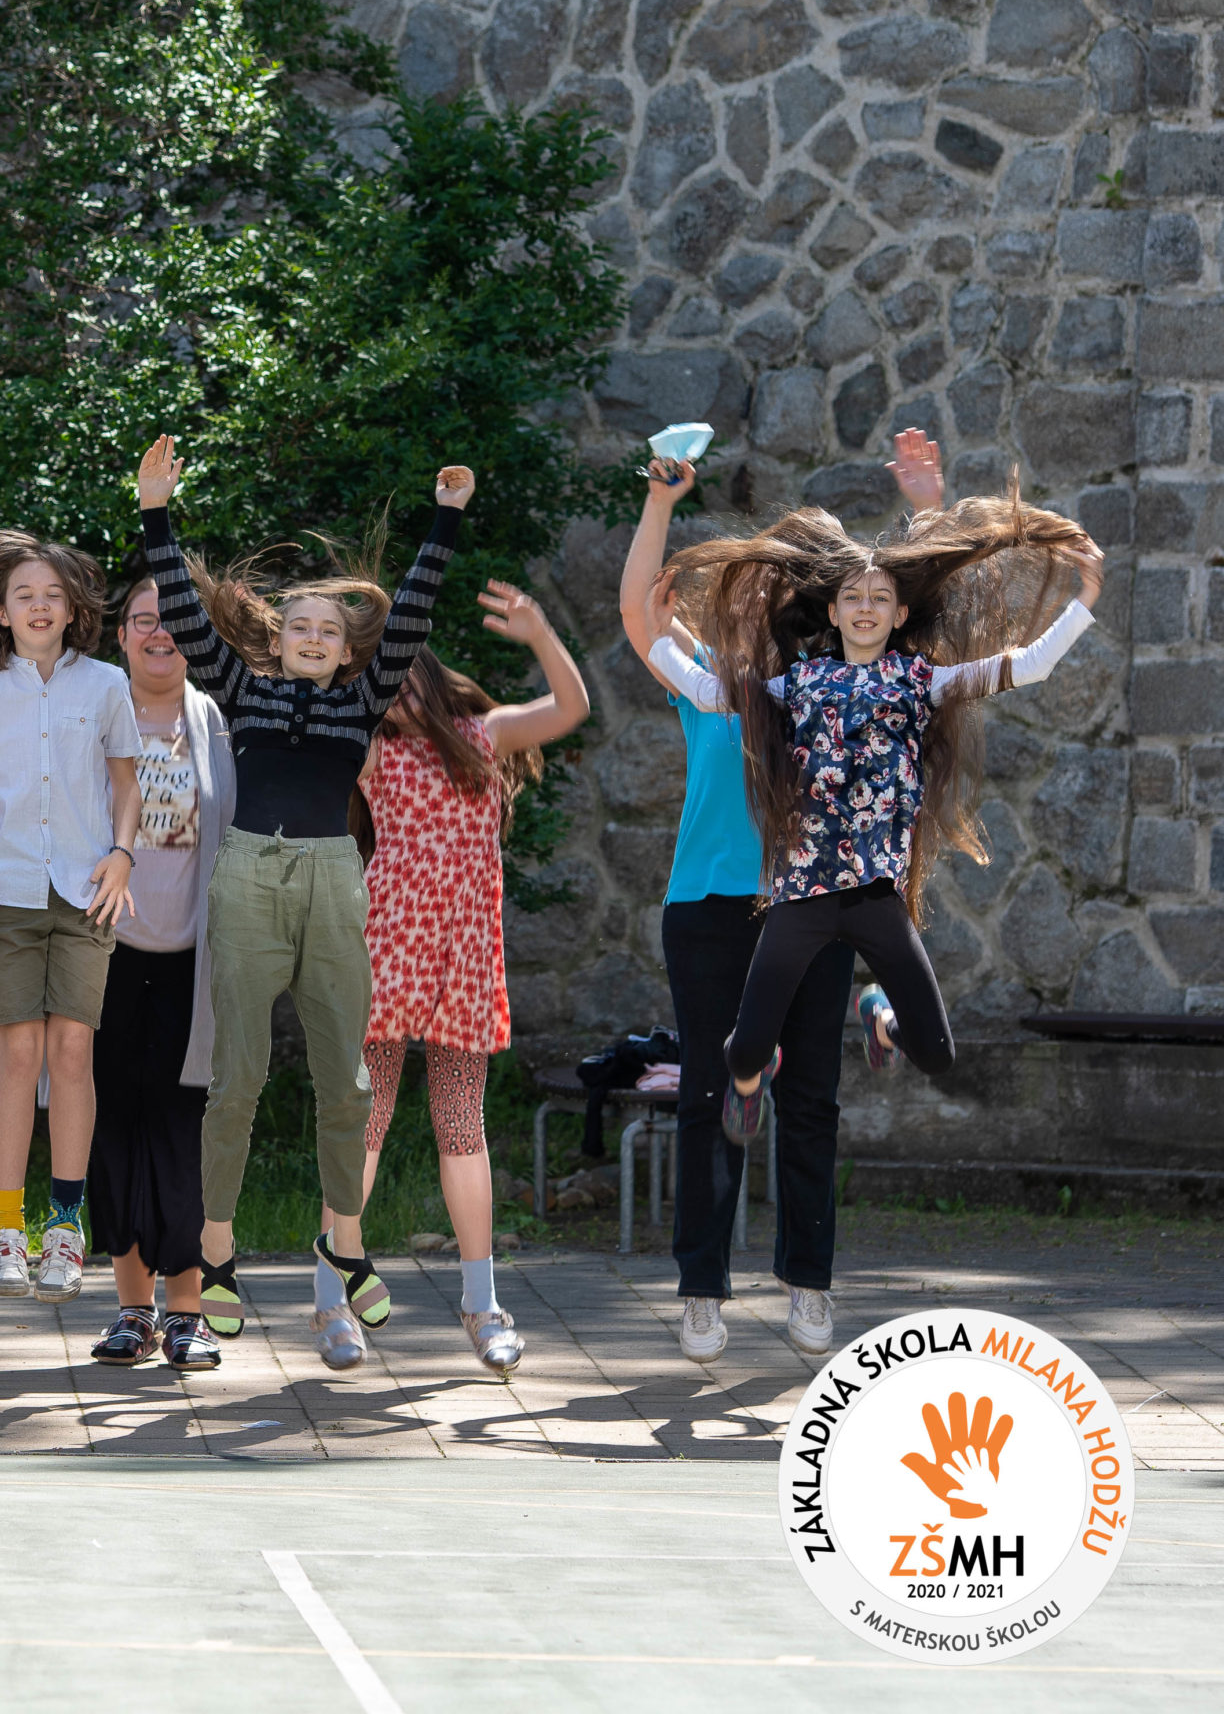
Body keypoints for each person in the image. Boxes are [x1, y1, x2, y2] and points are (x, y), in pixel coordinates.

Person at [137, 434, 468, 1371]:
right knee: (235, 1077)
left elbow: (412, 613)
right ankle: (216, 1248)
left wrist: (444, 520)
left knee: (347, 1081)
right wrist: (155, 509)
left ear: (347, 649)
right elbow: (186, 615)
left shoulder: (363, 700)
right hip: (247, 876)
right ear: (277, 639)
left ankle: (346, 1242)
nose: (314, 636)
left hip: (331, 876)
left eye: (329, 628)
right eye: (299, 625)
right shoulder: (240, 687)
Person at [617, 434, 948, 1364]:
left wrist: (928, 507)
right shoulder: (714, 681)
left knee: (810, 1096)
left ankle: (809, 1281)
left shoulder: (839, 680)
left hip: (816, 904)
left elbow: (918, 617)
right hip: (708, 907)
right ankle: (702, 1291)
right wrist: (660, 500)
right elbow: (638, 614)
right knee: (711, 1090)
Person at [650, 490, 1102, 1151]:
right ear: (833, 612)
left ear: (900, 613)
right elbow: (705, 692)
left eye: (881, 598)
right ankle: (752, 1078)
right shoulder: (796, 684)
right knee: (741, 1052)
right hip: (801, 898)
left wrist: (1084, 599)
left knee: (937, 1055)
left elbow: (1030, 665)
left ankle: (881, 1019)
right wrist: (660, 636)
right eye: (854, 598)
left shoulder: (923, 680)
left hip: (875, 899)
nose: (866, 608)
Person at [354, 584, 590, 1375]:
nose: (391, 689)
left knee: (462, 1123)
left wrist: (540, 629)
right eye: (375, 678)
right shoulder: (369, 748)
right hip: (388, 948)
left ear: (425, 670)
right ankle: (331, 1293)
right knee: (362, 1119)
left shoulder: (482, 735)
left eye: (399, 671)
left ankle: (482, 1302)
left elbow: (571, 706)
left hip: (462, 950)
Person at [0, 532, 140, 1304]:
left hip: (87, 891)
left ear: (74, 607)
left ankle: (66, 1227)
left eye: (53, 594)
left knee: (74, 1051)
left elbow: (128, 784)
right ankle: (6, 1230)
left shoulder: (106, 684)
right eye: (25, 594)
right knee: (19, 1051)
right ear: (2, 610)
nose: (40, 605)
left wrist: (123, 853)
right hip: (6, 892)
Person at [86, 574, 234, 1372]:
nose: (159, 633)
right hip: (104, 953)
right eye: (144, 620)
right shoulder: (90, 717)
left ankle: (187, 1314)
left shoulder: (218, 723)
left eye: (174, 620)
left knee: (184, 1133)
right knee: (113, 1127)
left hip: (193, 961)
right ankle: (131, 1311)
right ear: (121, 636)